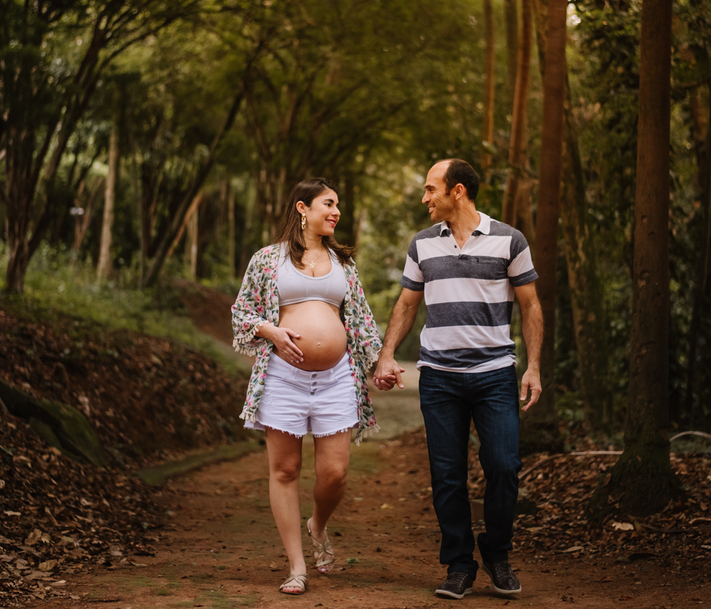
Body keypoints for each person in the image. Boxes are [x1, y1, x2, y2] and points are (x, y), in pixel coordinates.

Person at [374, 159, 542, 600]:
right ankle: (460, 564)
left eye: (432, 189)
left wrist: (534, 366)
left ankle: (497, 553)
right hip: (440, 378)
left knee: (504, 466)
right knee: (447, 475)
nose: (425, 198)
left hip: (494, 374)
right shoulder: (423, 245)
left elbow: (531, 306)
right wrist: (387, 354)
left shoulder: (510, 240)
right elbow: (408, 304)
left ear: (459, 191)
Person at [231, 178, 382, 596]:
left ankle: (317, 522)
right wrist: (272, 332)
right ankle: (297, 566)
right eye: (328, 204)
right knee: (285, 470)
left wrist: (380, 363)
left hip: (336, 379)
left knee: (334, 473)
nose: (336, 212)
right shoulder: (267, 259)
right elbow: (242, 313)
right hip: (282, 377)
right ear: (302, 208)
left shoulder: (344, 265)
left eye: (337, 206)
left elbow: (363, 320)